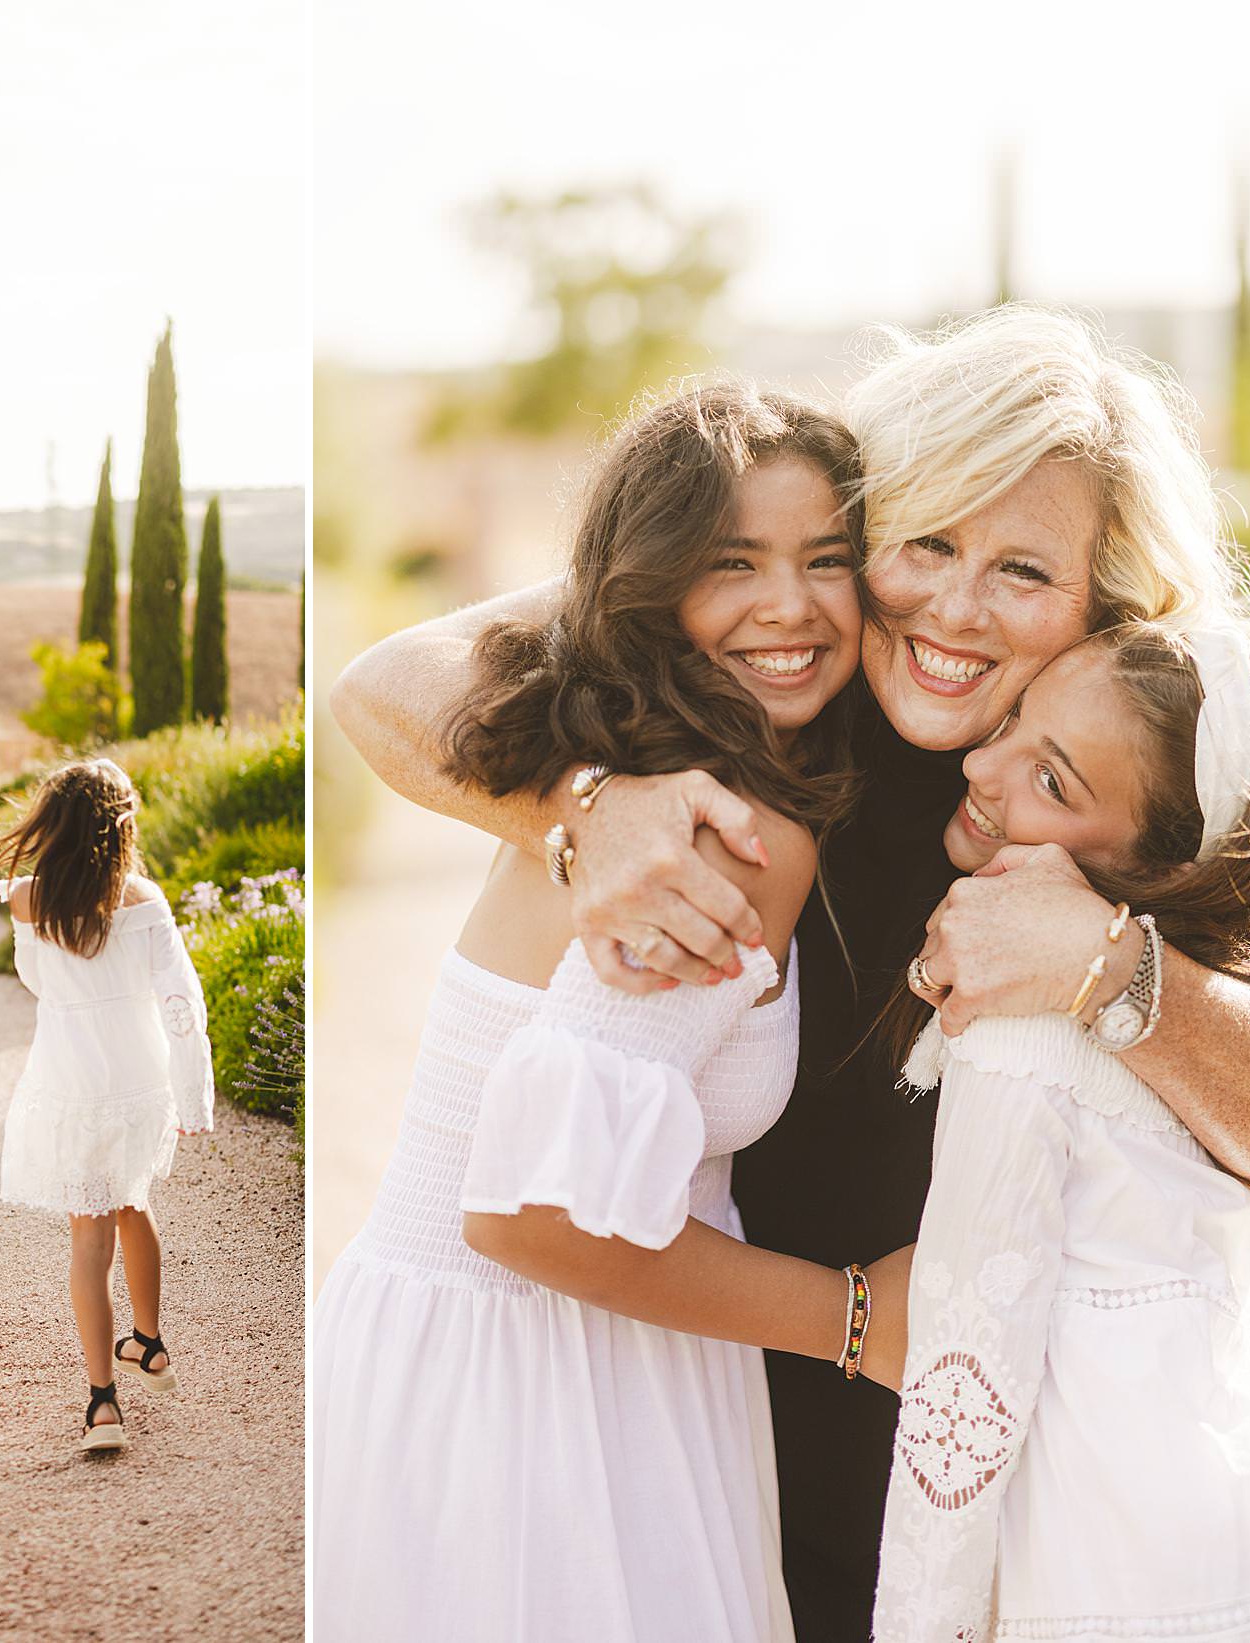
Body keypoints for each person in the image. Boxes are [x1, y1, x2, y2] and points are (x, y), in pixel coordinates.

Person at [330, 307, 1250, 1636]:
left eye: (1022, 572)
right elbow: (390, 680)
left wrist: (1115, 965)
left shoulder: (1159, 761)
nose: (951, 607)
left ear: (1107, 591)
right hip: (748, 1440)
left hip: (1042, 1488)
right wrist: (585, 802)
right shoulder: (779, 672)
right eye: (925, 540)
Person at [317, 383, 920, 1642]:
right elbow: (530, 1214)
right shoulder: (719, 832)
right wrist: (857, 1318)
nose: (791, 605)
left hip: (484, 1360)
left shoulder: (593, 756)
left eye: (827, 560)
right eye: (730, 563)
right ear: (648, 589)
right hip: (548, 1389)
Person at [876, 619, 1250, 1640]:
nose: (981, 763)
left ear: (1155, 863)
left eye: (1054, 781)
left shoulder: (1019, 1013)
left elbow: (965, 1382)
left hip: (1117, 1557)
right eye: (1018, 720)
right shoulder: (1205, 1002)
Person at [0, 758, 216, 1454]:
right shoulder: (146, 899)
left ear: (56, 822)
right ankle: (151, 1341)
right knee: (134, 1202)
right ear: (122, 825)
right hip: (140, 1082)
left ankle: (103, 1402)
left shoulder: (28, 897)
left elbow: (33, 980)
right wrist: (194, 1094)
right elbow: (182, 1003)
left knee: (88, 1235)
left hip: (72, 1076)